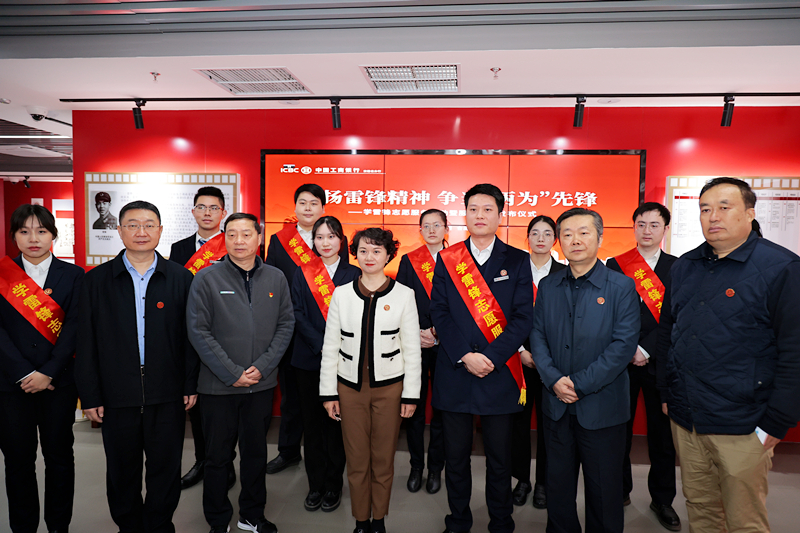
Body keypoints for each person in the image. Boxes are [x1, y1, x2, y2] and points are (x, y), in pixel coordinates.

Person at [657, 177, 800, 533]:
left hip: (744, 424)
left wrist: (775, 423)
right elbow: (667, 333)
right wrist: (666, 392)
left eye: (724, 207)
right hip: (687, 419)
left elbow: (794, 351)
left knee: (744, 520)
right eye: (705, 209)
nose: (713, 216)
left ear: (750, 213)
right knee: (701, 510)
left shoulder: (782, 268)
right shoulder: (684, 266)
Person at [75, 200, 199, 533]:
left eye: (148, 225)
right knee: (121, 470)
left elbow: (190, 338)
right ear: (119, 231)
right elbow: (85, 343)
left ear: (160, 230)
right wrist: (90, 395)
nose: (141, 232)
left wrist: (189, 384)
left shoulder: (181, 278)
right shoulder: (96, 281)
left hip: (167, 392)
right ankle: (128, 526)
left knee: (166, 468)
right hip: (117, 394)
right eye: (132, 225)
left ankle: (160, 526)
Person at [430, 183, 534, 533]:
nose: (479, 215)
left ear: (500, 215)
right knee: (456, 458)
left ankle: (501, 522)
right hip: (456, 372)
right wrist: (465, 355)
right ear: (465, 214)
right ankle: (458, 520)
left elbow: (523, 318)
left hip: (499, 372)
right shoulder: (448, 258)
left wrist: (489, 357)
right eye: (473, 209)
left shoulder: (517, 260)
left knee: (500, 460)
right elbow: (439, 311)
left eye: (488, 209)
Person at [530, 207, 639, 533]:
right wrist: (553, 379)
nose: (575, 240)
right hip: (556, 406)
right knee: (558, 487)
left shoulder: (622, 286)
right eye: (567, 234)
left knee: (604, 490)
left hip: (603, 408)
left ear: (600, 238)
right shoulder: (549, 286)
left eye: (583, 232)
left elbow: (622, 347)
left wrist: (577, 384)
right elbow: (537, 336)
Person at [187, 213, 294, 533]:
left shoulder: (276, 277)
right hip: (218, 386)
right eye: (231, 234)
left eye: (246, 234)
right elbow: (198, 330)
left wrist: (262, 367)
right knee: (217, 458)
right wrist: (231, 373)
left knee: (255, 454)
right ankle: (218, 520)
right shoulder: (206, 278)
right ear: (224, 239)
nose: (239, 241)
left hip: (260, 385)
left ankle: (252, 515)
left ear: (259, 238)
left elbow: (286, 324)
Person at [320, 227, 421, 533]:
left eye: (377, 251)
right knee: (356, 458)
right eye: (363, 250)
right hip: (349, 389)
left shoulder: (404, 295)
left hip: (390, 390)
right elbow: (330, 347)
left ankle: (379, 520)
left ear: (389, 255)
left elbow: (412, 350)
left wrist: (410, 395)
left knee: (383, 458)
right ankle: (361, 520)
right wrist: (328, 393)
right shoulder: (341, 294)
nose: (369, 257)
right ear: (355, 254)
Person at [0, 204, 84, 533]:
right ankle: (23, 527)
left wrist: (49, 371)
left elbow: (75, 328)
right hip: (11, 385)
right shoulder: (3, 274)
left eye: (41, 231)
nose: (33, 238)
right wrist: (24, 373)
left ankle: (58, 526)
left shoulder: (74, 275)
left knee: (59, 458)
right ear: (14, 236)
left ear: (53, 235)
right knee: (17, 460)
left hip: (58, 384)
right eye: (24, 231)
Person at [606, 202, 680, 531]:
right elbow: (610, 313)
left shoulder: (678, 267)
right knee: (618, 431)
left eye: (654, 225)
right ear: (633, 226)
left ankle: (662, 499)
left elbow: (674, 317)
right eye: (641, 224)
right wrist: (629, 348)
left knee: (662, 437)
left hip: (659, 363)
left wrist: (645, 348)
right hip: (621, 362)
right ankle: (619, 491)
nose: (647, 230)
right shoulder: (615, 264)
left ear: (665, 229)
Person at [265, 183, 347, 475]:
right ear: (295, 207)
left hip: (334, 335)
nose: (308, 208)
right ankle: (288, 451)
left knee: (330, 399)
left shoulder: (333, 236)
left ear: (323, 207)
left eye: (314, 203)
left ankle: (328, 456)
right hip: (292, 332)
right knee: (292, 397)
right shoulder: (279, 240)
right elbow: (270, 282)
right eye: (303, 202)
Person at [291, 216, 360, 513]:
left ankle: (333, 484)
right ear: (313, 241)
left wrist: (335, 347)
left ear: (341, 240)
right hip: (309, 359)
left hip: (344, 360)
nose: (325, 242)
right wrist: (321, 345)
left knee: (336, 425)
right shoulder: (301, 271)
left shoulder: (354, 273)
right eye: (319, 237)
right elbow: (296, 312)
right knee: (312, 425)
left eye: (331, 236)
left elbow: (358, 315)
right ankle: (315, 485)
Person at [168, 186, 234, 491]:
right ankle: (202, 461)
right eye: (202, 207)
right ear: (193, 211)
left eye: (213, 208)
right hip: (188, 333)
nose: (207, 213)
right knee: (194, 402)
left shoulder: (232, 244)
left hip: (223, 334)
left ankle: (225, 462)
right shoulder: (179, 248)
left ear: (223, 212)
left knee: (223, 407)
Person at [510, 215, 565, 510]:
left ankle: (543, 482)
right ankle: (522, 479)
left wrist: (544, 358)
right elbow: (503, 314)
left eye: (547, 233)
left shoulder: (564, 272)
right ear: (527, 238)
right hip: (518, 359)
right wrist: (519, 350)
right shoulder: (514, 270)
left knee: (549, 426)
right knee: (518, 424)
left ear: (555, 239)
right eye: (535, 233)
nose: (541, 238)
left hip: (551, 363)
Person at [395, 208, 447, 495]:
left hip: (446, 346)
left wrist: (438, 332)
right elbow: (401, 301)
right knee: (413, 406)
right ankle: (416, 466)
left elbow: (462, 305)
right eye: (426, 226)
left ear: (446, 229)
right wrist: (415, 332)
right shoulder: (409, 260)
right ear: (420, 230)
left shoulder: (458, 260)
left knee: (441, 408)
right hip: (414, 343)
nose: (431, 230)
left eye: (437, 225)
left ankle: (435, 467)